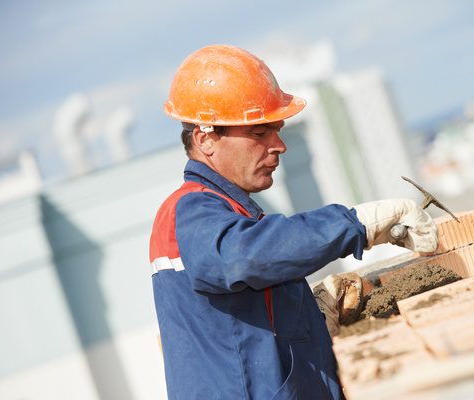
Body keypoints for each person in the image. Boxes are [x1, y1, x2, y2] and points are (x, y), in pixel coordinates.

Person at [149, 44, 438, 400]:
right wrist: (355, 223)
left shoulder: (228, 217)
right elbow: (244, 256)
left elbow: (244, 336)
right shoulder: (190, 211)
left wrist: (309, 316)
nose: (279, 145)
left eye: (277, 129)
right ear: (206, 139)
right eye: (259, 133)